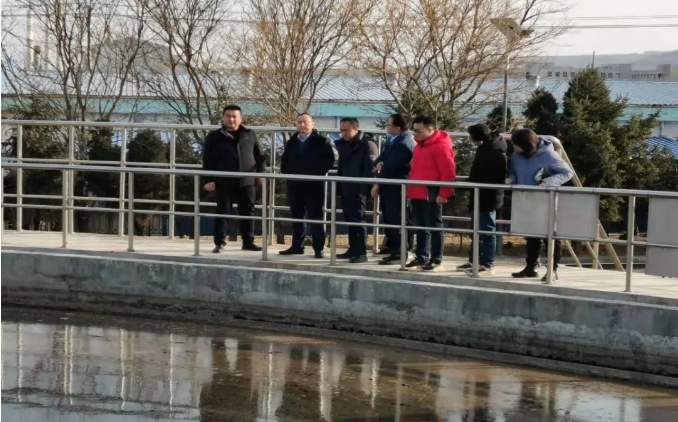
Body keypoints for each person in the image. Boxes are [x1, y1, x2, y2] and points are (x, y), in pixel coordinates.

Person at [507, 129, 574, 281]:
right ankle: (531, 267)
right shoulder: (517, 156)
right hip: (526, 199)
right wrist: (511, 178)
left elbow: (567, 173)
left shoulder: (549, 155)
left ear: (527, 144)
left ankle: (552, 269)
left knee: (550, 237)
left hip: (545, 201)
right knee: (531, 236)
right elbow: (514, 171)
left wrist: (548, 182)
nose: (514, 147)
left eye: (517, 144)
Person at [202, 105, 266, 253]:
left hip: (247, 180)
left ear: (240, 118)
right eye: (228, 116)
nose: (231, 119)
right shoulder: (214, 136)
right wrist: (208, 179)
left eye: (234, 116)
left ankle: (248, 242)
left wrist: (261, 173)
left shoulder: (249, 134)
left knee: (248, 211)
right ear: (223, 118)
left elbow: (260, 156)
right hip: (223, 180)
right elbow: (208, 160)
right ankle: (219, 243)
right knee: (223, 211)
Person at [279, 113, 335, 258]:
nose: (302, 125)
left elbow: (329, 160)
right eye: (299, 122)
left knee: (315, 217)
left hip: (313, 184)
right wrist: (288, 174)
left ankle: (318, 248)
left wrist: (315, 173)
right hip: (295, 184)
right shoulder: (292, 141)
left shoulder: (321, 141)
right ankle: (297, 245)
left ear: (312, 124)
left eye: (305, 122)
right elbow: (284, 160)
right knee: (297, 216)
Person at [407, 116, 456, 271]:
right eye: (414, 130)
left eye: (418, 131)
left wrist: (444, 193)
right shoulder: (420, 146)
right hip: (417, 190)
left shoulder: (441, 146)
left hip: (431, 191)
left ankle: (436, 258)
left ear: (430, 130)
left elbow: (448, 172)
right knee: (420, 225)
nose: (415, 134)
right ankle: (422, 256)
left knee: (434, 225)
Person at [457, 123, 507, 276]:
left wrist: (467, 183)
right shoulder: (484, 147)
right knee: (476, 231)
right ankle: (474, 261)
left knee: (487, 231)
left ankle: (487, 264)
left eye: (470, 136)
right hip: (479, 194)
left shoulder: (494, 152)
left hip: (488, 197)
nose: (469, 139)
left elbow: (488, 176)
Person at [371, 114, 416, 265]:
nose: (387, 127)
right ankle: (394, 250)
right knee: (390, 219)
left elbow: (392, 167)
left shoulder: (403, 144)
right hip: (390, 187)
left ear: (398, 128)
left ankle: (400, 252)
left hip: (396, 188)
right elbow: (382, 158)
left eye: (389, 125)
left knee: (397, 220)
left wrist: (378, 183)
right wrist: (379, 163)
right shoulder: (394, 141)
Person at [335, 117, 379, 263]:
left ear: (356, 129)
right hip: (346, 186)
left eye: (347, 130)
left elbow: (370, 168)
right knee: (350, 218)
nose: (344, 133)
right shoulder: (345, 144)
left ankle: (361, 252)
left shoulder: (367, 144)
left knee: (359, 219)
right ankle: (353, 248)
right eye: (342, 130)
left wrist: (364, 189)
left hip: (359, 188)